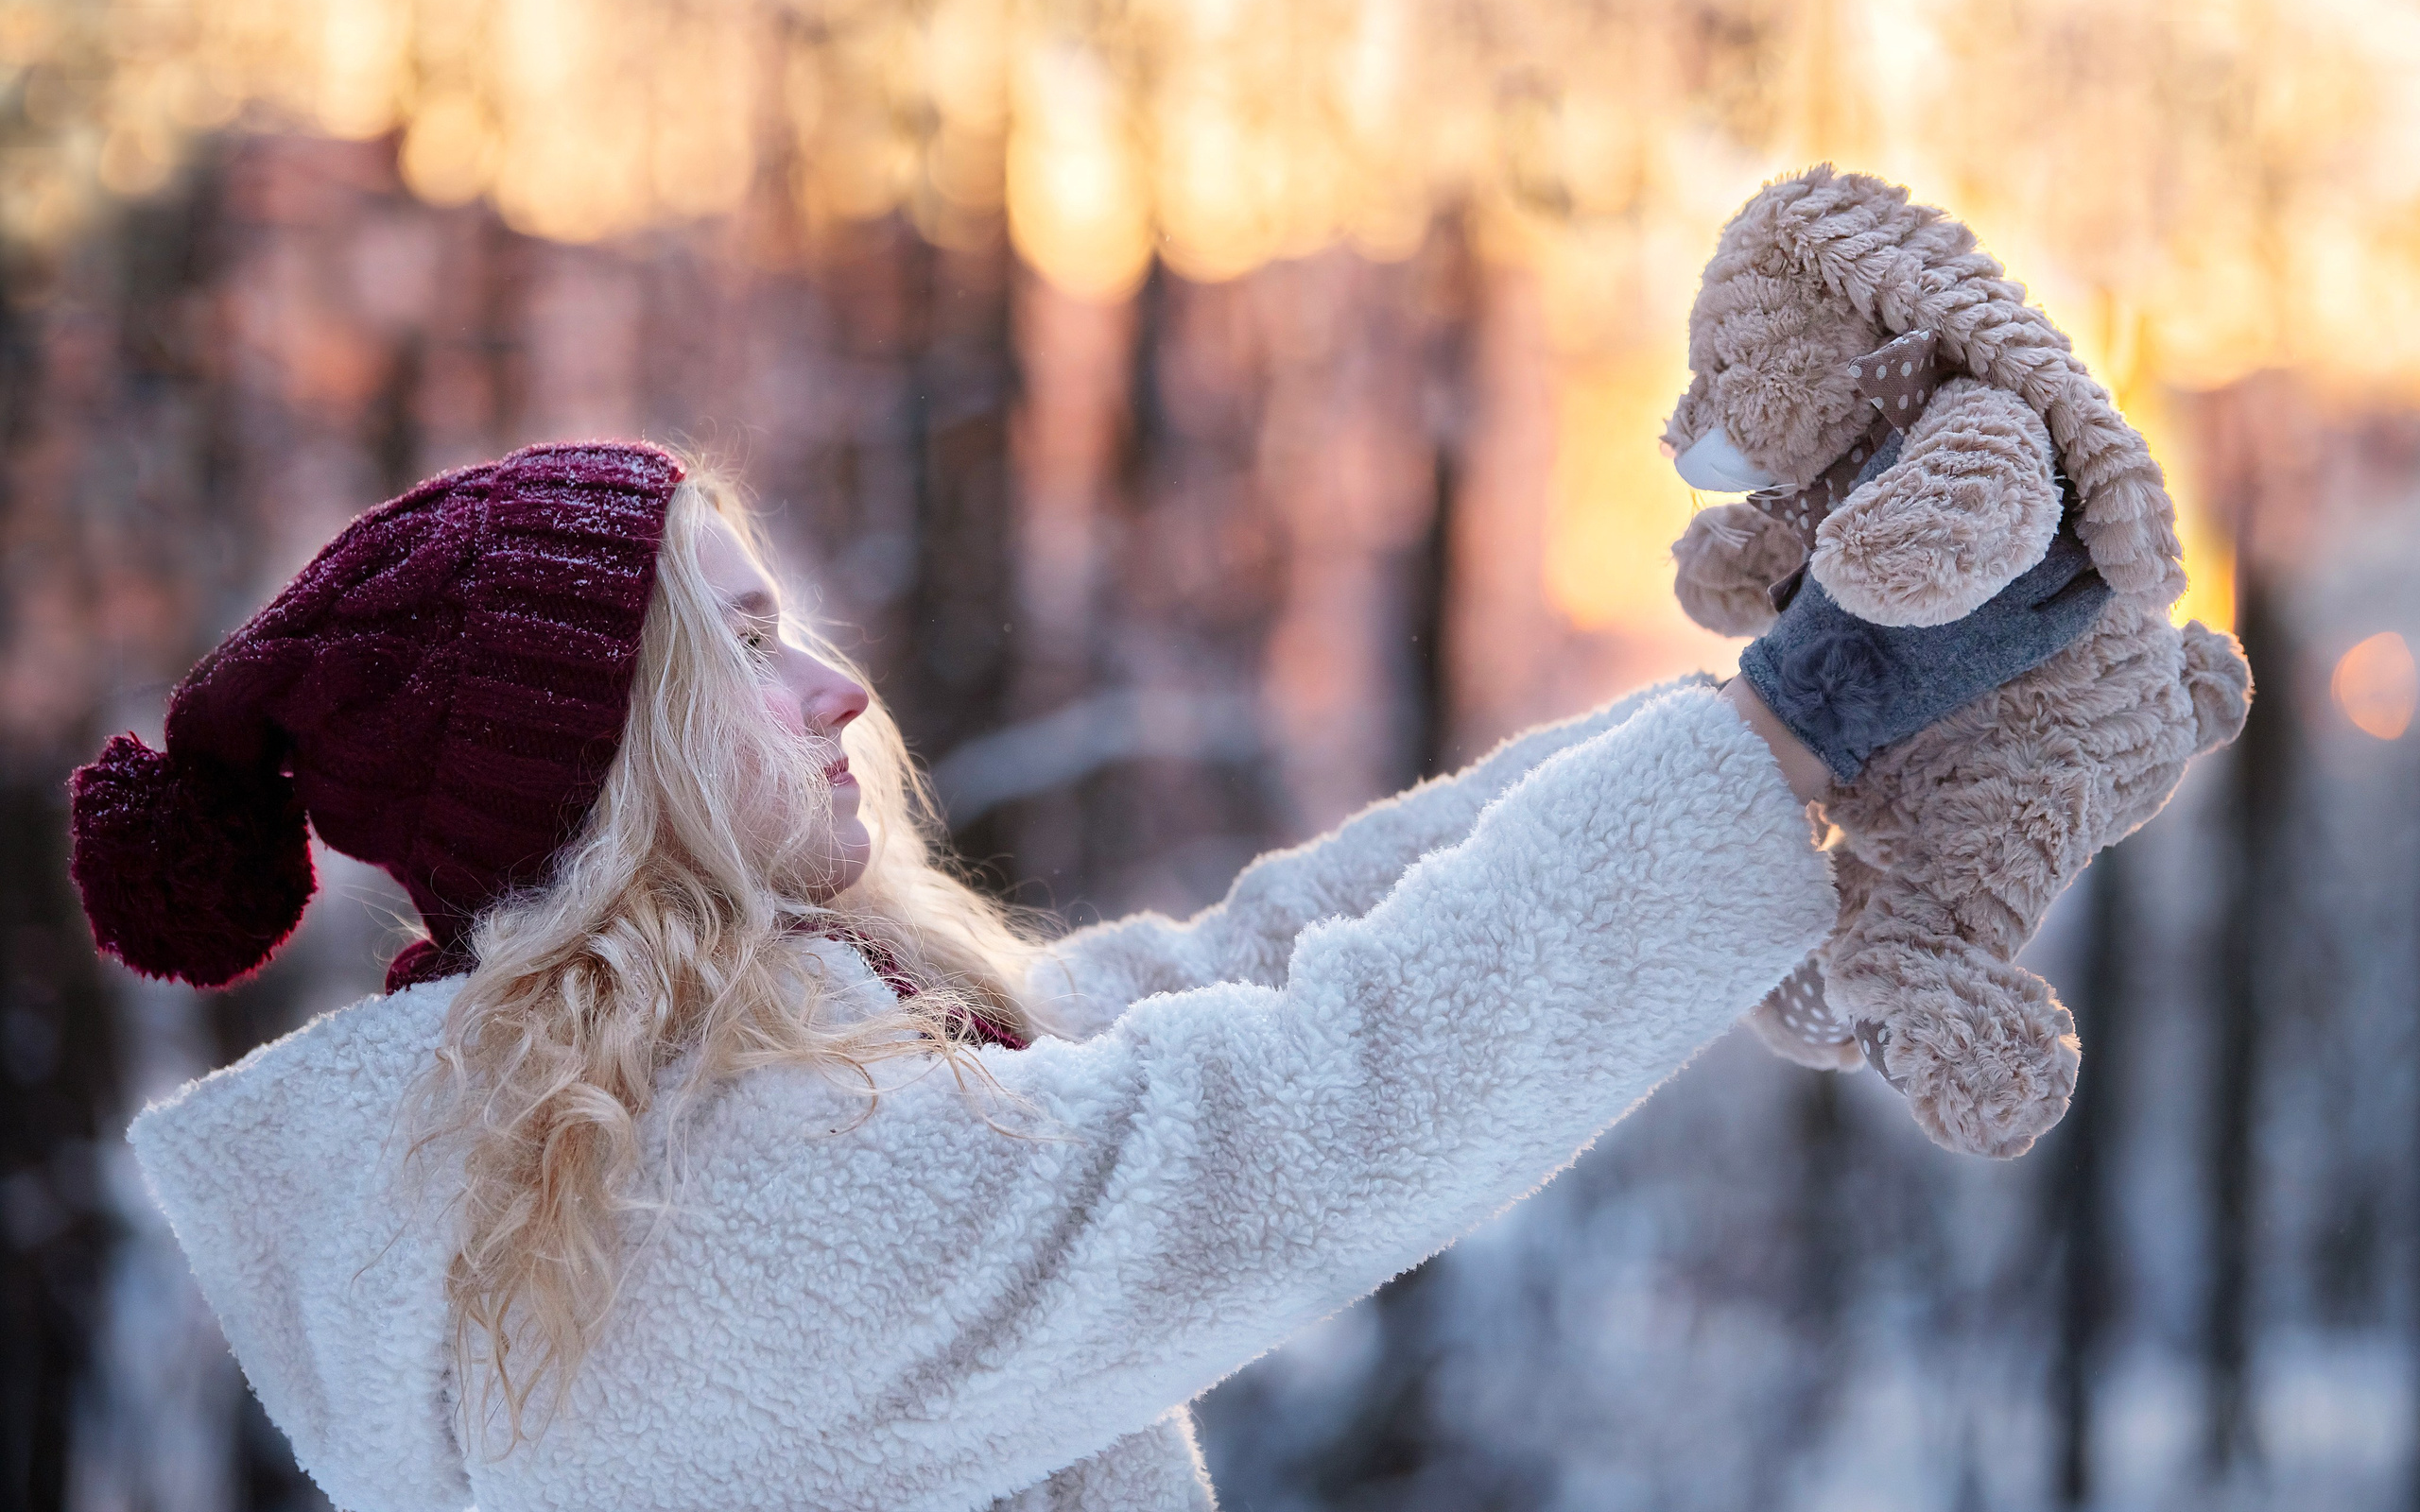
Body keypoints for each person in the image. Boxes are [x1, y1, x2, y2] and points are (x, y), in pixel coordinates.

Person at [76, 440, 2015, 1512]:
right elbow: (1282, 1117)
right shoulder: (715, 1209)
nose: (836, 688)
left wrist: (1754, 730)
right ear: (607, 764)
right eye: (742, 649)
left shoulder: (645, 1137)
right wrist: (1782, 737)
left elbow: (1221, 976)